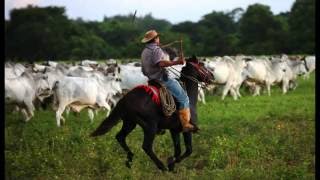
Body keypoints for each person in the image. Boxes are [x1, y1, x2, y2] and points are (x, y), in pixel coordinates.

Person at [140, 30, 198, 133]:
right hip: (161, 78)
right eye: (158, 37)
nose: (159, 39)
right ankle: (186, 124)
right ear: (155, 39)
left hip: (151, 80)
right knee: (184, 98)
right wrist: (176, 62)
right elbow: (161, 63)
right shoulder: (157, 50)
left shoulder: (145, 51)